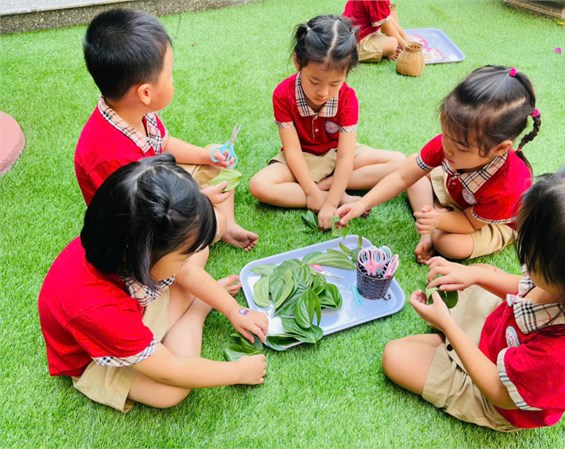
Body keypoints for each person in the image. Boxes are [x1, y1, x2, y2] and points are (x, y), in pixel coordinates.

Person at [38, 154, 268, 412]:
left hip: (130, 307)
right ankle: (198, 310)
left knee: (198, 253)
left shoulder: (119, 240)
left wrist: (234, 310)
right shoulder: (99, 309)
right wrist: (238, 372)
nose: (185, 261)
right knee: (170, 392)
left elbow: (186, 271)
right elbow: (171, 371)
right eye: (180, 257)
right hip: (95, 358)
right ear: (144, 256)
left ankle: (189, 298)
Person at [382, 160, 565, 431]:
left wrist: (448, 327)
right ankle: (453, 336)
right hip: (498, 331)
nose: (525, 262)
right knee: (478, 273)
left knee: (395, 356)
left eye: (532, 259)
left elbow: (499, 392)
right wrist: (474, 275)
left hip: (494, 395)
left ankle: (451, 340)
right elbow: (524, 286)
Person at [74, 8, 258, 251]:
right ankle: (211, 234)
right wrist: (200, 201)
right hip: (140, 223)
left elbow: (164, 144)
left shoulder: (134, 110)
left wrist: (206, 155)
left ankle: (228, 226)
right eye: (169, 75)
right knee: (200, 235)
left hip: (159, 182)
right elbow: (142, 218)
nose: (173, 80)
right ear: (146, 93)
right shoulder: (111, 156)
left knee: (217, 164)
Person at [337, 65, 540, 262]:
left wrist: (437, 220)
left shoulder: (509, 186)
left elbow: (470, 223)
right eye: (446, 134)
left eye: (461, 147)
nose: (447, 148)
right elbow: (403, 177)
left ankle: (436, 218)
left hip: (485, 221)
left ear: (500, 149)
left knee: (448, 244)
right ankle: (432, 223)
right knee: (412, 166)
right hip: (458, 191)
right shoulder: (453, 145)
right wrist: (363, 203)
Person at [249, 15, 405, 230]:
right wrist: (313, 194)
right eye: (314, 81)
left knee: (400, 162)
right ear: (297, 62)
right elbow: (292, 150)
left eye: (335, 83)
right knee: (259, 186)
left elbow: (345, 156)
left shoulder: (347, 98)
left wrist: (330, 203)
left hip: (337, 153)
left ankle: (330, 187)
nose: (323, 92)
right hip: (302, 157)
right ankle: (334, 194)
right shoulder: (283, 94)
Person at [342, 0, 410, 62]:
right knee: (393, 43)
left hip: (360, 31)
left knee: (394, 40)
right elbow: (386, 27)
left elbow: (387, 17)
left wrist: (406, 38)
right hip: (352, 43)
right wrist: (407, 48)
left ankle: (386, 51)